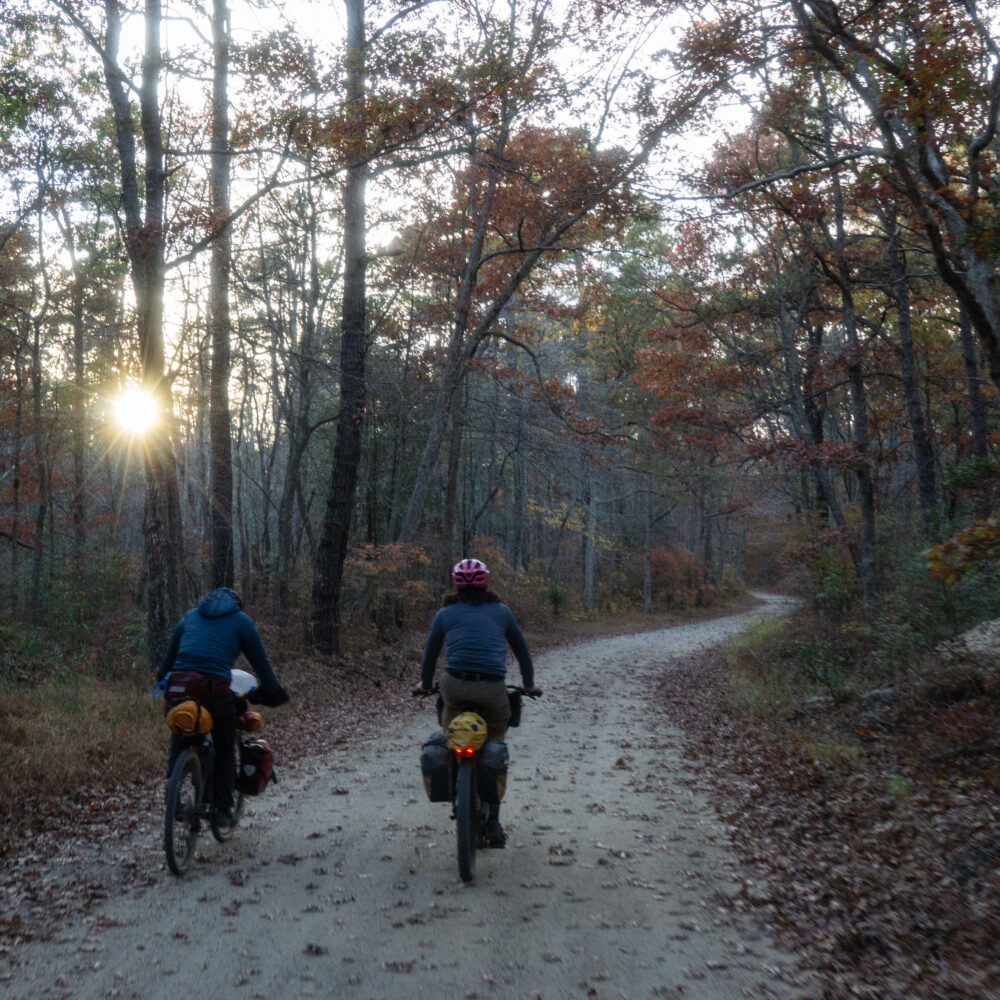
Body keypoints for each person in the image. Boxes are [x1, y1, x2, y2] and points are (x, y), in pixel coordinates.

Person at [412, 558, 540, 846]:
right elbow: (522, 653)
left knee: (450, 737)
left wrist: (427, 685)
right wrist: (529, 684)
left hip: (454, 686)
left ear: (456, 585)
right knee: (495, 743)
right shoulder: (502, 612)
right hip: (492, 689)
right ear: (487, 582)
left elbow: (430, 656)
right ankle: (493, 820)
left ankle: (459, 782)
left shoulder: (445, 613)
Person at [157, 587, 288, 825]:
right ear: (236, 604)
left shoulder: (189, 616)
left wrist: (163, 679)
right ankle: (222, 810)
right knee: (225, 745)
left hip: (179, 691)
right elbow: (261, 663)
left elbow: (166, 663)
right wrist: (272, 691)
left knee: (180, 734)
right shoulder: (241, 621)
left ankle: (173, 793)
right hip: (215, 693)